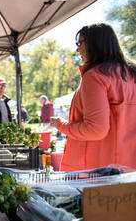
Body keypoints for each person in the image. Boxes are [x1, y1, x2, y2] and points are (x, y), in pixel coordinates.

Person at [50, 23, 136, 171]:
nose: (77, 49)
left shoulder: (95, 76)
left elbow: (95, 129)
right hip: (128, 170)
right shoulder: (131, 75)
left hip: (98, 173)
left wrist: (61, 126)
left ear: (95, 44)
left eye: (80, 43)